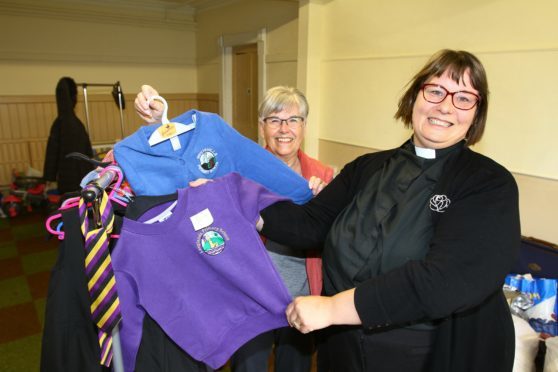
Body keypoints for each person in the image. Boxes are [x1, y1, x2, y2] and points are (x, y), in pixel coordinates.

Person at [256, 49, 521, 372]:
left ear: (477, 114)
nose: (445, 105)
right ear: (414, 98)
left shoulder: (488, 184)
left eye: (464, 98)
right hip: (342, 347)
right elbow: (310, 223)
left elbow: (441, 280)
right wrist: (241, 206)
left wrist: (331, 310)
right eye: (435, 91)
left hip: (426, 352)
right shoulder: (367, 168)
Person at [134, 85, 334, 372]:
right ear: (261, 127)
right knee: (248, 367)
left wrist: (323, 203)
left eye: (293, 120)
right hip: (249, 297)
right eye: (274, 120)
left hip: (301, 296)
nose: (284, 129)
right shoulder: (236, 169)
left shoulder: (322, 175)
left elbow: (331, 232)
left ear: (304, 125)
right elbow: (184, 175)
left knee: (296, 367)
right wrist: (157, 123)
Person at [43, 77, 94, 194]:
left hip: (67, 181)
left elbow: (52, 153)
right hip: (84, 178)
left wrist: (49, 178)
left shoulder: (59, 123)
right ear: (73, 97)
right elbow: (88, 152)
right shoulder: (77, 123)